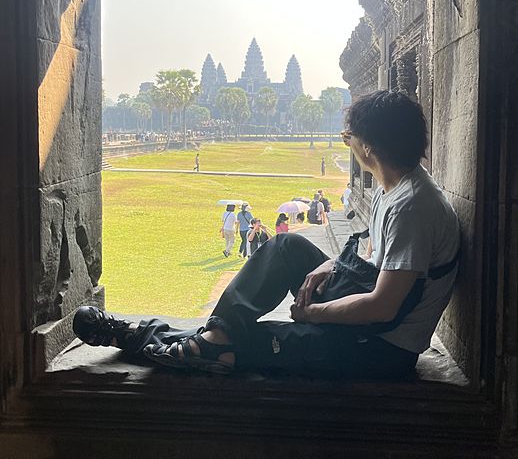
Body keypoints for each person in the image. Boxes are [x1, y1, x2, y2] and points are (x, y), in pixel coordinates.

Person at [73, 90, 459, 382]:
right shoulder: (394, 187)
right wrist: (329, 265)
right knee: (285, 247)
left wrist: (312, 313)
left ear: (368, 146)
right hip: (364, 306)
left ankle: (133, 334)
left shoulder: (412, 206)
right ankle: (207, 336)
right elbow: (373, 257)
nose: (349, 144)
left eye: (348, 137)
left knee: (240, 342)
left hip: (378, 347)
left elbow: (383, 307)